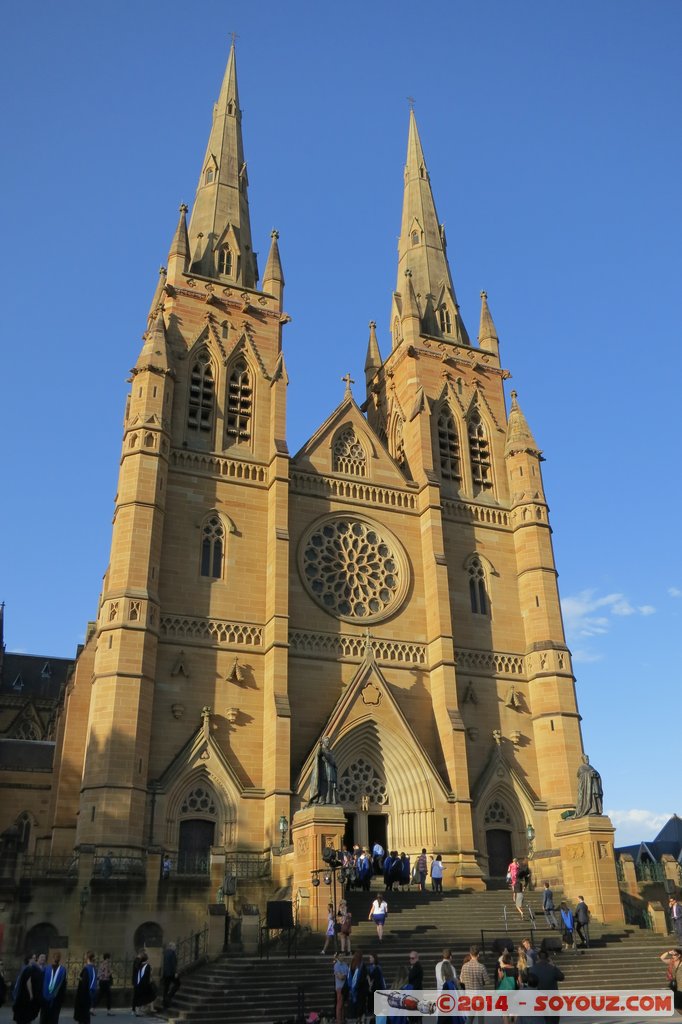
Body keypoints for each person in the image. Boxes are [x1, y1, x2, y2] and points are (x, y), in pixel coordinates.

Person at [529, 949, 564, 1024]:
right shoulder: (552, 968)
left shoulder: (532, 969)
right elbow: (561, 977)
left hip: (539, 998)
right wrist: (554, 965)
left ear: (538, 957)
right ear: (548, 958)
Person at [308, 736, 338, 805]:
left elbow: (333, 761)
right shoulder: (321, 749)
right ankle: (322, 799)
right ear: (323, 742)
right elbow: (318, 754)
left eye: (328, 741)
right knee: (323, 785)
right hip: (324, 770)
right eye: (326, 741)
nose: (328, 743)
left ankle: (329, 800)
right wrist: (320, 745)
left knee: (330, 785)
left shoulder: (330, 751)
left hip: (330, 770)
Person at [40, 953, 66, 1024]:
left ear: (52, 958)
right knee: (54, 1017)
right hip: (56, 997)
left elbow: (41, 982)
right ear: (59, 959)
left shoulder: (46, 968)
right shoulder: (62, 970)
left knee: (44, 1016)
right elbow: (63, 985)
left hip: (46, 996)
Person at [74, 953, 96, 1024]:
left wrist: (79, 978)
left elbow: (84, 982)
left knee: (83, 1015)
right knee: (86, 1014)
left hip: (84, 994)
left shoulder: (86, 968)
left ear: (87, 959)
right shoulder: (94, 968)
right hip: (91, 992)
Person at [347, 951, 369, 1022]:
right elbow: (363, 977)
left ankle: (358, 1018)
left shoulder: (351, 965)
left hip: (355, 988)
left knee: (357, 1003)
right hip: (361, 989)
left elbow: (350, 977)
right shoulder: (361, 965)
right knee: (362, 1004)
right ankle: (361, 1018)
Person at [162, 942, 180, 1009]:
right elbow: (173, 963)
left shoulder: (166, 953)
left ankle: (164, 1002)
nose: (175, 948)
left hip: (166, 973)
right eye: (175, 946)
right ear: (171, 946)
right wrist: (175, 972)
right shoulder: (172, 953)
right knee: (178, 984)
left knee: (166, 988)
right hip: (171, 973)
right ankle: (168, 997)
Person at [333, 954, 349, 1024]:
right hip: (339, 987)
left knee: (343, 1004)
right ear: (338, 957)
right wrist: (343, 975)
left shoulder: (345, 964)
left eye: (343, 955)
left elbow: (347, 975)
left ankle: (342, 1019)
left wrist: (343, 975)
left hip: (345, 987)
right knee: (339, 1004)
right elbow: (340, 977)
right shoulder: (336, 965)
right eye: (340, 956)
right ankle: (339, 1020)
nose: (342, 957)